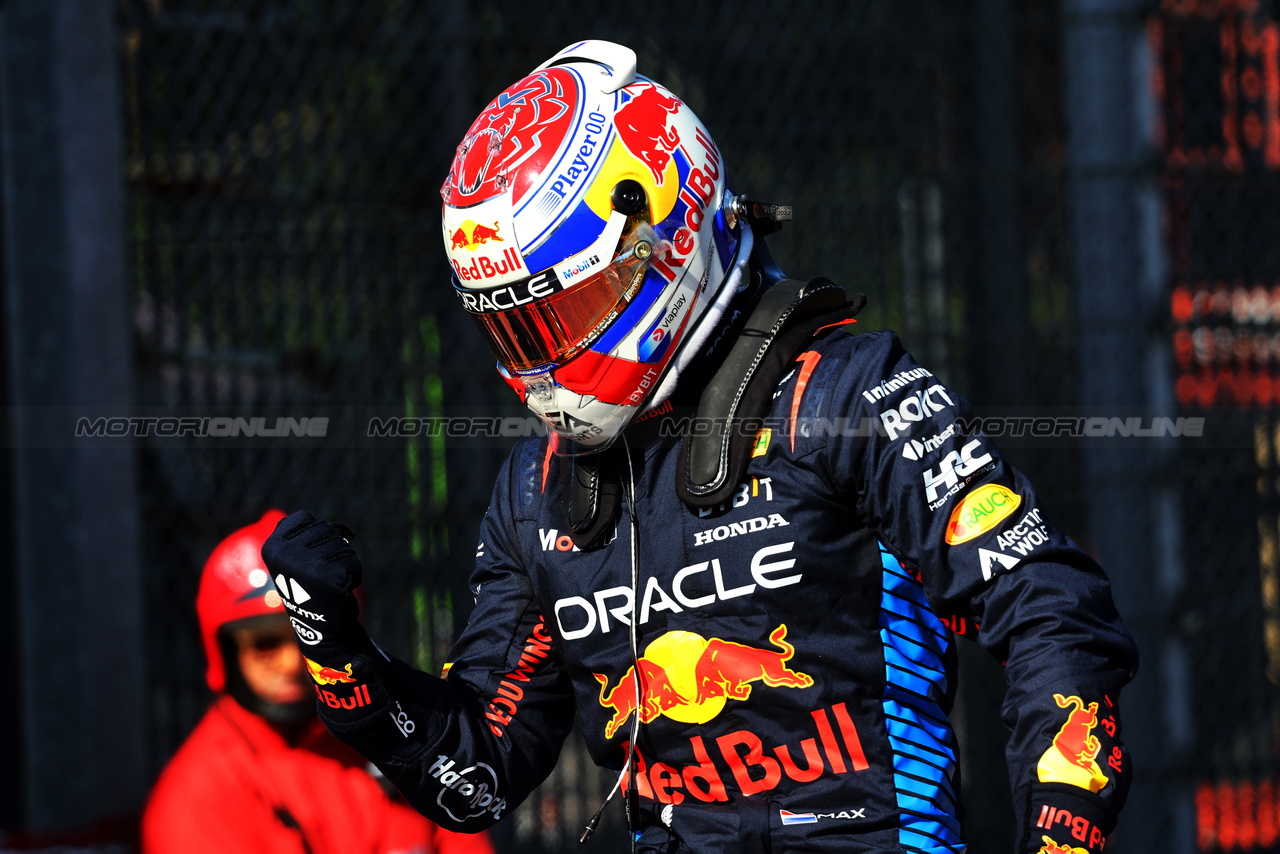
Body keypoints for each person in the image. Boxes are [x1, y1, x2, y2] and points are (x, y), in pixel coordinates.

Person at [261, 41, 1138, 853]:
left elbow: (1049, 606)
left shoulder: (840, 397)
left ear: (665, 233)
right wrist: (346, 663)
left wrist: (1061, 836)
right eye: (518, 329)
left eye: (560, 313)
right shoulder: (537, 494)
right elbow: (479, 778)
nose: (545, 358)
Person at [142, 509, 493, 854]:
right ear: (225, 651)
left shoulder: (396, 732)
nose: (292, 662)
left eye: (305, 638)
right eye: (265, 643)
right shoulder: (198, 798)